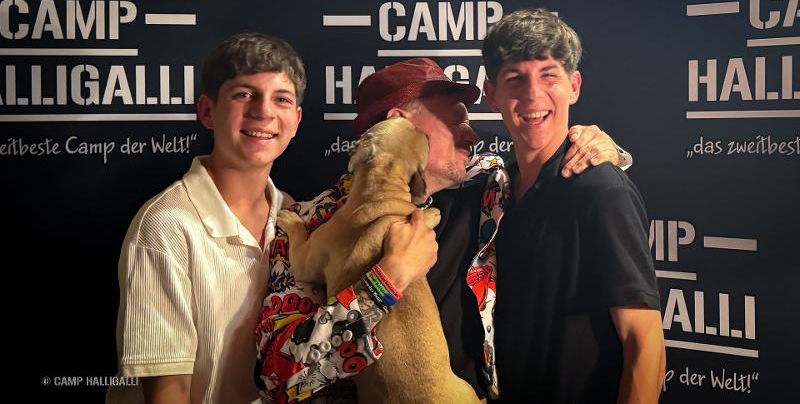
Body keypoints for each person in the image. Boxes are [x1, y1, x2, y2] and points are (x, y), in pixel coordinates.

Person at [255, 57, 630, 402]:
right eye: (456, 122)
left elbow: (559, 170)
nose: (473, 135)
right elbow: (278, 377)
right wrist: (385, 282)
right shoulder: (309, 223)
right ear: (401, 125)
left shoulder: (488, 185)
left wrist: (602, 149)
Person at [109, 33, 307, 404]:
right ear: (207, 111)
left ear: (295, 121)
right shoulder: (166, 226)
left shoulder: (293, 216)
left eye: (281, 99)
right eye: (243, 94)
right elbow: (167, 396)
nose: (263, 112)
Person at [484, 9, 665, 403]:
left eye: (549, 76)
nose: (533, 94)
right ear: (491, 94)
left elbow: (644, 342)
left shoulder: (602, 190)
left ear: (574, 86)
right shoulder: (494, 191)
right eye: (515, 78)